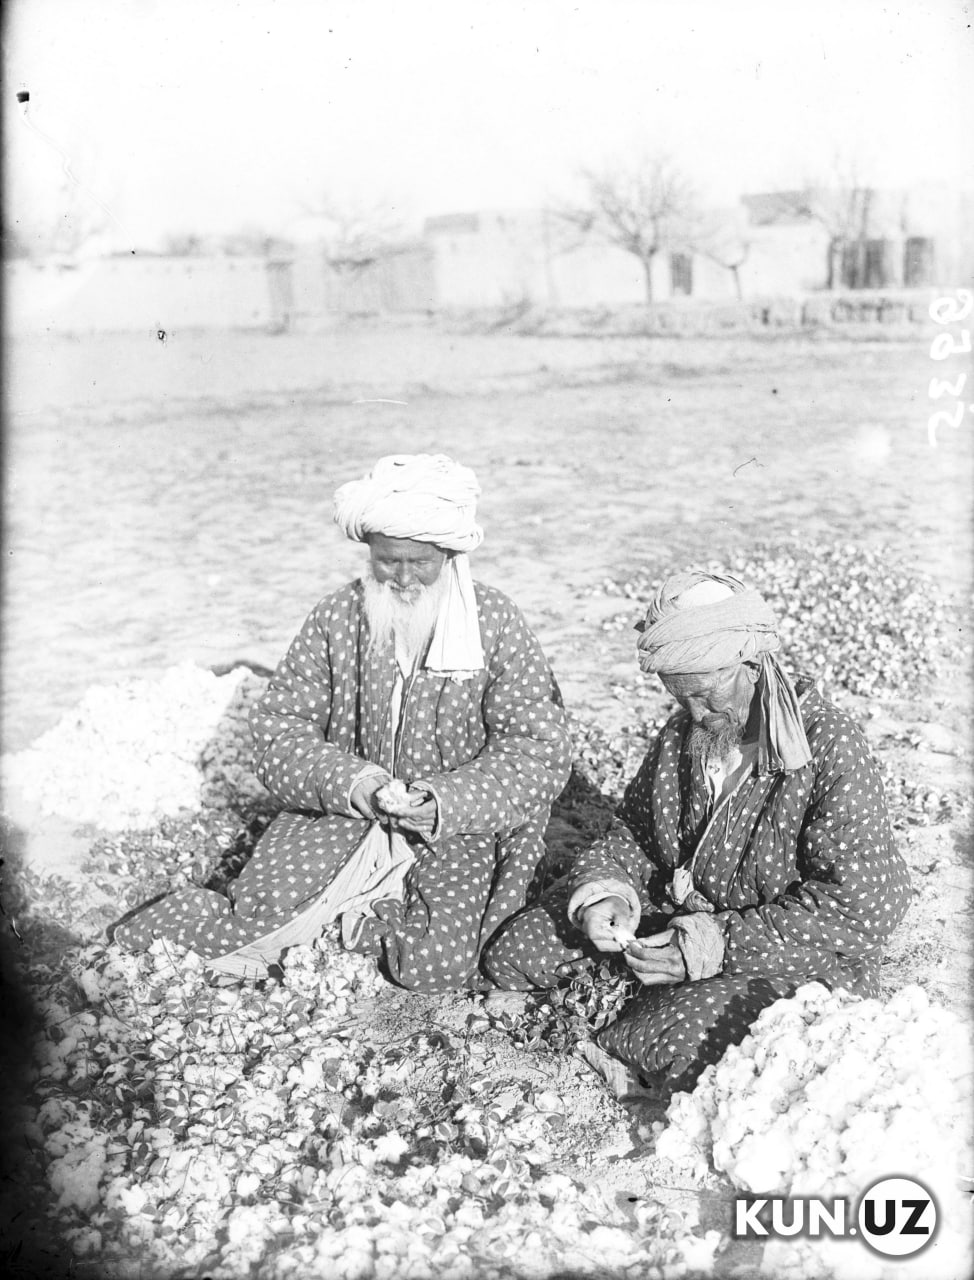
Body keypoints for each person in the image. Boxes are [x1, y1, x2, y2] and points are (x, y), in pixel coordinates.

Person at [115, 453, 571, 988]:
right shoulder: (336, 617)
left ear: (449, 555)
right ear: (368, 552)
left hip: (458, 826)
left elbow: (538, 752)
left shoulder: (496, 622)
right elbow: (278, 733)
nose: (402, 578)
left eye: (418, 562)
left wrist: (444, 800)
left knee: (436, 962)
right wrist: (356, 784)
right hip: (340, 815)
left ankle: (351, 924)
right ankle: (333, 919)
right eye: (387, 561)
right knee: (240, 929)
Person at [483, 571, 911, 1094]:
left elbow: (862, 908)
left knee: (679, 1038)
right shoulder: (684, 732)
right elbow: (634, 834)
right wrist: (605, 892)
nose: (694, 714)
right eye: (678, 696)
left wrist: (710, 946)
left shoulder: (830, 746)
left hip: (789, 947)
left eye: (706, 695)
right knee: (515, 952)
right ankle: (642, 999)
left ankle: (648, 1009)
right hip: (679, 914)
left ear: (753, 665)